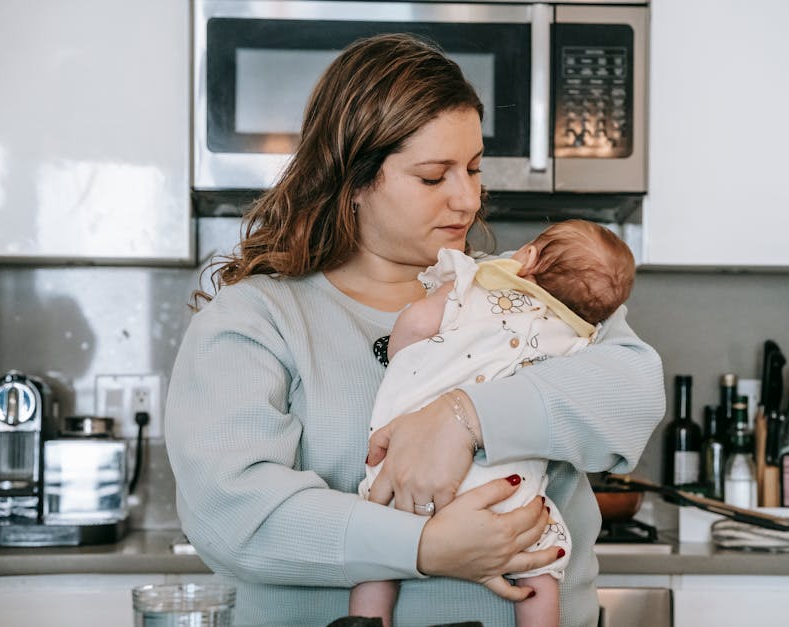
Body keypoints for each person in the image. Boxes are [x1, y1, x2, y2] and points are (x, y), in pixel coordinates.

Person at [164, 32, 664, 627]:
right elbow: (231, 512)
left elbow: (633, 390)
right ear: (352, 182)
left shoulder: (525, 294)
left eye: (475, 169)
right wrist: (426, 548)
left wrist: (464, 415)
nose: (468, 199)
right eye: (434, 177)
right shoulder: (258, 318)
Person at [351, 219, 636, 627]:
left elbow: (415, 324)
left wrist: (403, 357)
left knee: (376, 556)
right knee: (539, 565)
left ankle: (367, 618)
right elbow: (608, 389)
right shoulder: (580, 340)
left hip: (402, 472)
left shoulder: (474, 285)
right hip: (508, 490)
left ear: (528, 257)